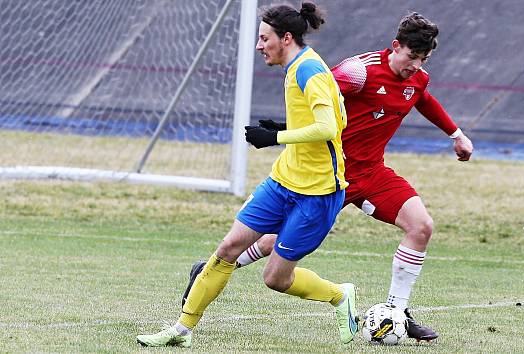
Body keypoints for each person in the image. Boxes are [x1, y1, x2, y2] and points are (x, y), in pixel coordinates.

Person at [183, 12, 474, 342]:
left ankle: (397, 313)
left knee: (421, 226)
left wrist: (456, 135)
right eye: (411, 57)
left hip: (372, 173)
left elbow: (422, 98)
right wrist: (285, 131)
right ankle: (214, 268)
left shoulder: (417, 79)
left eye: (422, 60)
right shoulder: (358, 72)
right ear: (396, 46)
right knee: (272, 242)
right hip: (328, 174)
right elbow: (317, 96)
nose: (415, 66)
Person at [136, 2, 359, 348]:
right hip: (283, 181)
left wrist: (275, 137)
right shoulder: (300, 65)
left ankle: (339, 296)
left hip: (318, 192)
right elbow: (336, 117)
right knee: (229, 246)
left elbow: (330, 127)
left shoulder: (309, 70)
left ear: (286, 38)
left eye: (264, 38)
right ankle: (181, 330)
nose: (259, 45)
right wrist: (287, 126)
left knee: (276, 278)